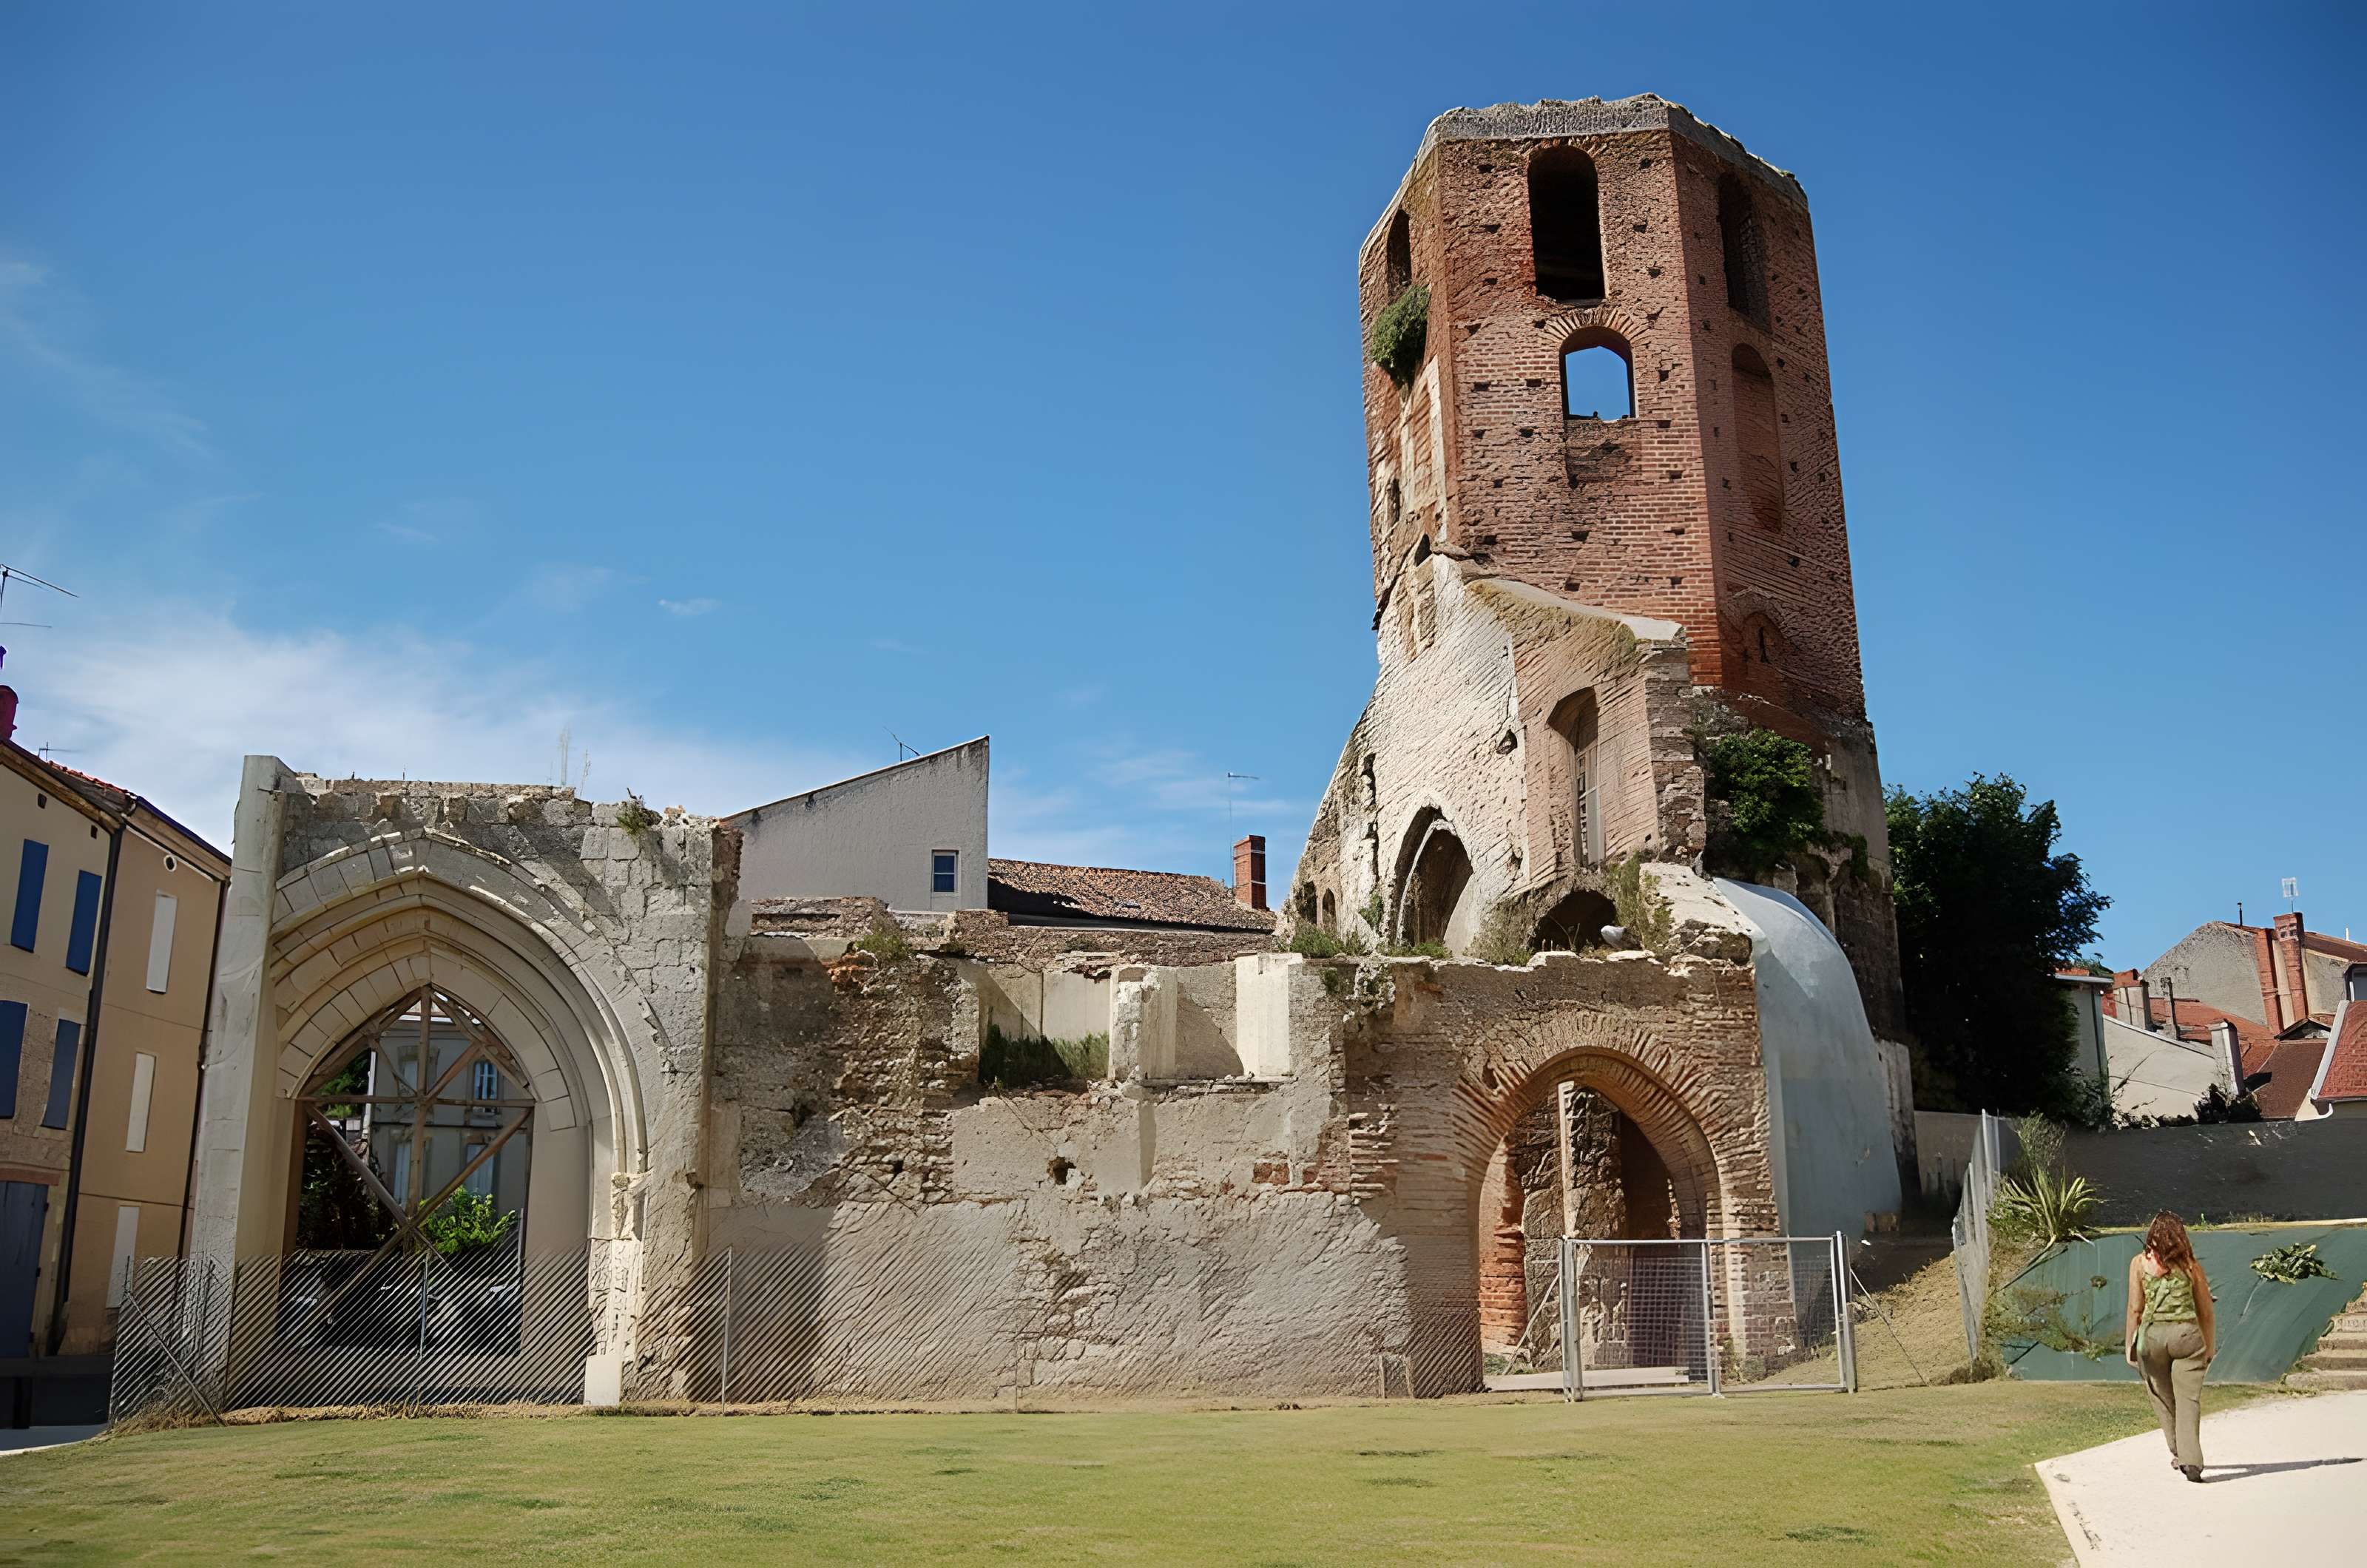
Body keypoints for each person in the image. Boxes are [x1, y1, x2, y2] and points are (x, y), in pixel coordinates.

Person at [2124, 1210, 2215, 1481]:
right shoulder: (2191, 1266)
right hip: (2187, 1336)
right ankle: (2192, 1461)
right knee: (2188, 1400)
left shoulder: (2139, 1264)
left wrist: (2129, 1344)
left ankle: (2178, 1451)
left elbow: (2134, 1309)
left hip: (2152, 1337)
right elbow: (2206, 1312)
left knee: (2162, 1396)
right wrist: (2209, 1346)